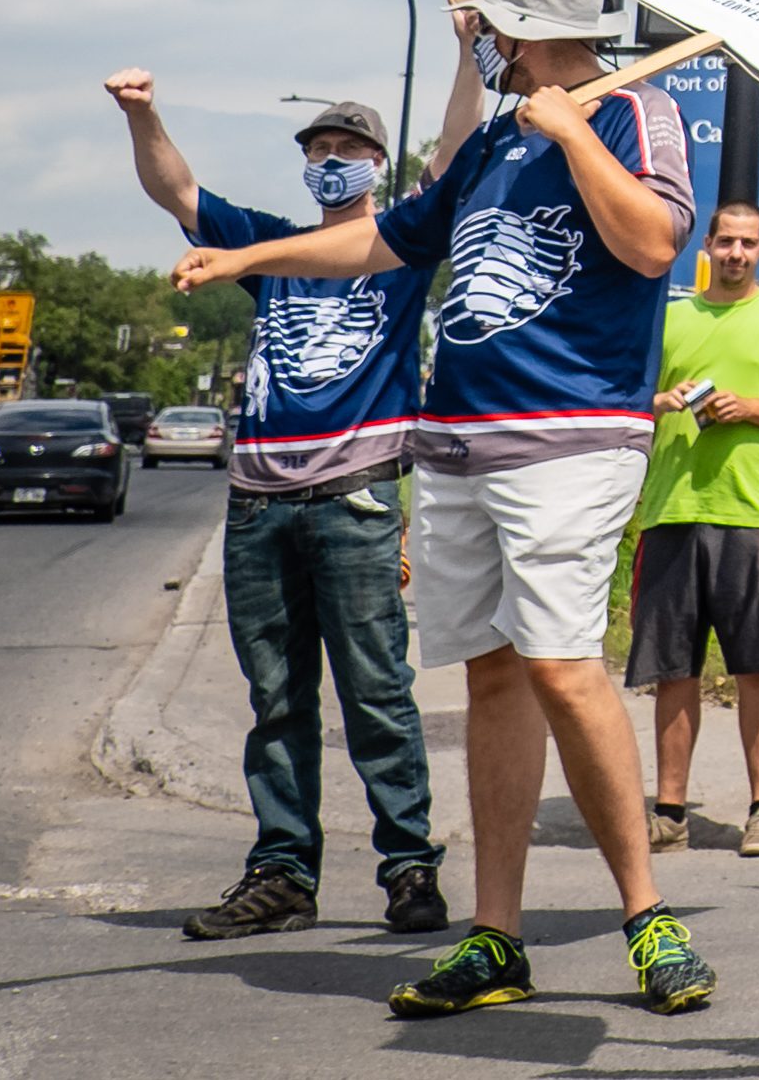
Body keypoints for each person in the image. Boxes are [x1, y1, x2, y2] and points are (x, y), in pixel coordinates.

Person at [173, 0, 718, 1021]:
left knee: (563, 667)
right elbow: (384, 240)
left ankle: (648, 915)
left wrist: (573, 136)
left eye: (500, 32)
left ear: (535, 34)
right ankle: (496, 936)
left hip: (569, 436)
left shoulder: (633, 114)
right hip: (460, 444)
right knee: (494, 679)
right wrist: (247, 259)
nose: (491, 47)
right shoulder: (489, 145)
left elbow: (655, 243)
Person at [112, 74, 470, 943]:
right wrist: (142, 114)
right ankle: (282, 872)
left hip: (355, 498)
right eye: (318, 150)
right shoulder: (269, 248)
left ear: (379, 164)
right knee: (275, 698)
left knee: (376, 691)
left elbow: (454, 155)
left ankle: (408, 865)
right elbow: (177, 191)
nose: (330, 161)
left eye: (347, 149)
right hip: (259, 506)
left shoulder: (401, 245)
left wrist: (466, 53)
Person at [630, 200, 759, 860]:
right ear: (708, 248)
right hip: (672, 513)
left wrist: (748, 408)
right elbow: (625, 397)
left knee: (757, 669)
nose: (736, 253)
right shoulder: (670, 317)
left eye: (748, 243)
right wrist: (660, 401)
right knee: (673, 671)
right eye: (726, 242)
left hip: (753, 516)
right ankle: (669, 812)